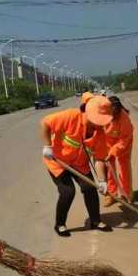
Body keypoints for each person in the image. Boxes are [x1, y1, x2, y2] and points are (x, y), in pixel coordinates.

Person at [40, 94, 113, 236]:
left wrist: (103, 181)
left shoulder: (100, 133)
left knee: (90, 188)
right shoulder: (71, 116)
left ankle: (95, 221)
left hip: (80, 164)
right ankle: (60, 224)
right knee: (68, 191)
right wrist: (47, 146)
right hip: (58, 162)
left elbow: (98, 159)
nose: (99, 124)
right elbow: (45, 123)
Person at [103, 95, 134, 206]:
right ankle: (112, 194)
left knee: (124, 167)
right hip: (108, 140)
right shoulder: (104, 113)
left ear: (119, 110)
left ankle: (126, 194)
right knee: (109, 167)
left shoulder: (124, 119)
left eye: (115, 115)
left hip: (124, 142)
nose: (113, 117)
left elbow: (124, 141)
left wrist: (113, 151)